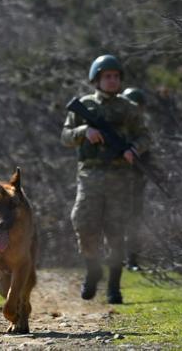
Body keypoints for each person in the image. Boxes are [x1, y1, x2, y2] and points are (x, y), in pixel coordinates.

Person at [61, 55, 150, 304]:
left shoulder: (129, 108)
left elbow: (145, 136)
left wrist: (134, 149)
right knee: (83, 222)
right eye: (107, 76)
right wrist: (83, 132)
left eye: (116, 76)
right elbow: (65, 136)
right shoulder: (84, 105)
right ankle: (93, 269)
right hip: (90, 174)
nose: (112, 81)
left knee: (116, 231)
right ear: (97, 79)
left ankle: (114, 286)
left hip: (120, 176)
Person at [120, 87, 149, 271]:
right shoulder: (118, 128)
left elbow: (147, 152)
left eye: (138, 106)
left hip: (136, 180)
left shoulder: (141, 130)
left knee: (134, 220)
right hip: (115, 180)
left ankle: (132, 259)